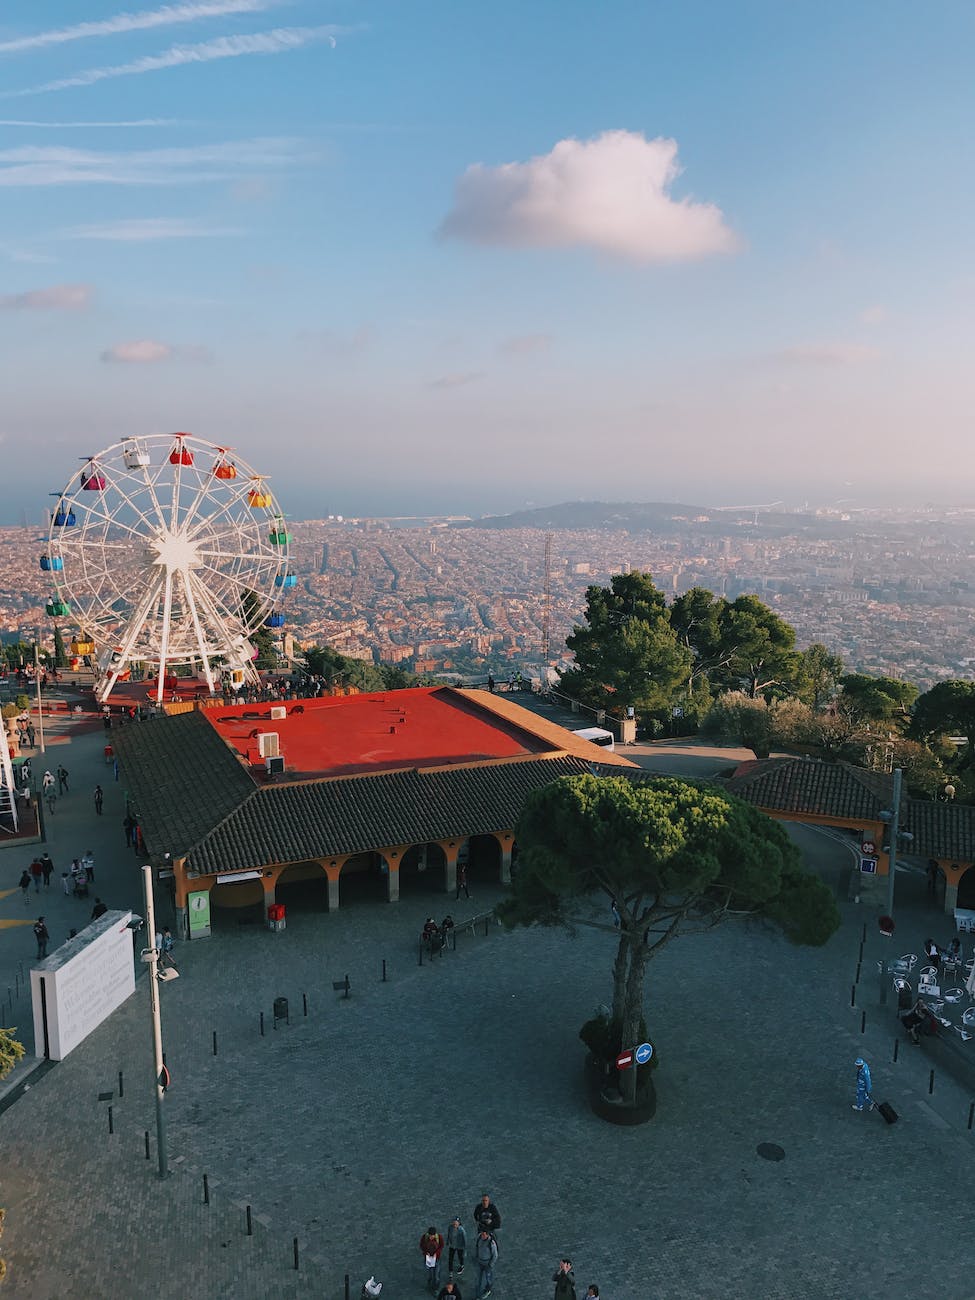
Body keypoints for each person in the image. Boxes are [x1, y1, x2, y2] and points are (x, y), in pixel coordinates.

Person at [473, 1229, 498, 1299]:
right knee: (478, 1278)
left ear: (487, 1234)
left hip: (487, 1264)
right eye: (482, 1234)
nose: (482, 1236)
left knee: (488, 1278)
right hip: (480, 1262)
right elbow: (477, 1247)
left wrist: (490, 1265)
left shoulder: (491, 1243)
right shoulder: (479, 1238)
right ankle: (478, 1293)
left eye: (484, 1235)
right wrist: (476, 1256)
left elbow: (495, 1255)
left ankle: (488, 1288)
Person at [420, 1226, 445, 1293]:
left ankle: (435, 1289)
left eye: (432, 1236)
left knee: (436, 1275)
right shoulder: (424, 1237)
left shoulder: (439, 1237)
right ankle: (430, 1284)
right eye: (430, 1236)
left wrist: (436, 1253)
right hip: (428, 1259)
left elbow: (441, 1246)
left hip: (436, 1259)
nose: (431, 1238)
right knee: (430, 1274)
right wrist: (426, 1253)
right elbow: (421, 1246)